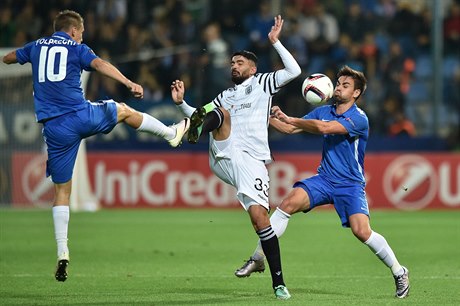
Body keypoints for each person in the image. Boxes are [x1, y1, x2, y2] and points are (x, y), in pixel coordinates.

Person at [2, 10, 190, 282]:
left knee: (61, 191)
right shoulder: (77, 47)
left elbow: (9, 58)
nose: (83, 36)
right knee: (124, 110)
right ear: (74, 31)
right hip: (79, 116)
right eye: (82, 33)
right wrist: (127, 81)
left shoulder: (35, 47)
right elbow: (100, 64)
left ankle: (62, 251)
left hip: (54, 129)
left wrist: (13, 59)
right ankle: (171, 134)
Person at [235, 65, 410, 299]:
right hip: (325, 179)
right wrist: (262, 115)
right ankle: (258, 258)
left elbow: (324, 128)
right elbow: (288, 128)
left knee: (362, 231)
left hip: (350, 184)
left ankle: (399, 271)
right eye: (338, 83)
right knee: (287, 204)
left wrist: (292, 118)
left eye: (345, 85)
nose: (339, 87)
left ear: (356, 93)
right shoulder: (324, 110)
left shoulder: (359, 118)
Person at [170, 15, 301, 300]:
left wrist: (276, 42)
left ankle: (278, 283)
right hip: (224, 151)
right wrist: (182, 105)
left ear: (253, 68)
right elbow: (200, 114)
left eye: (239, 63)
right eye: (232, 63)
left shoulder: (264, 83)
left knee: (260, 221)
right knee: (218, 114)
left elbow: (293, 70)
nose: (234, 66)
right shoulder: (225, 95)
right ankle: (186, 133)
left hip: (252, 161)